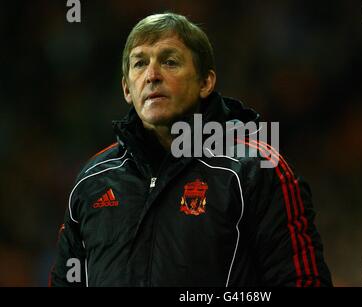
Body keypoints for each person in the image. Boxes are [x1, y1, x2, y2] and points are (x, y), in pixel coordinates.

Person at [49, 12, 332, 287]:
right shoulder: (93, 181)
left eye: (170, 62)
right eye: (139, 64)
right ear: (126, 89)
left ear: (205, 82)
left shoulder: (255, 169)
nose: (152, 75)